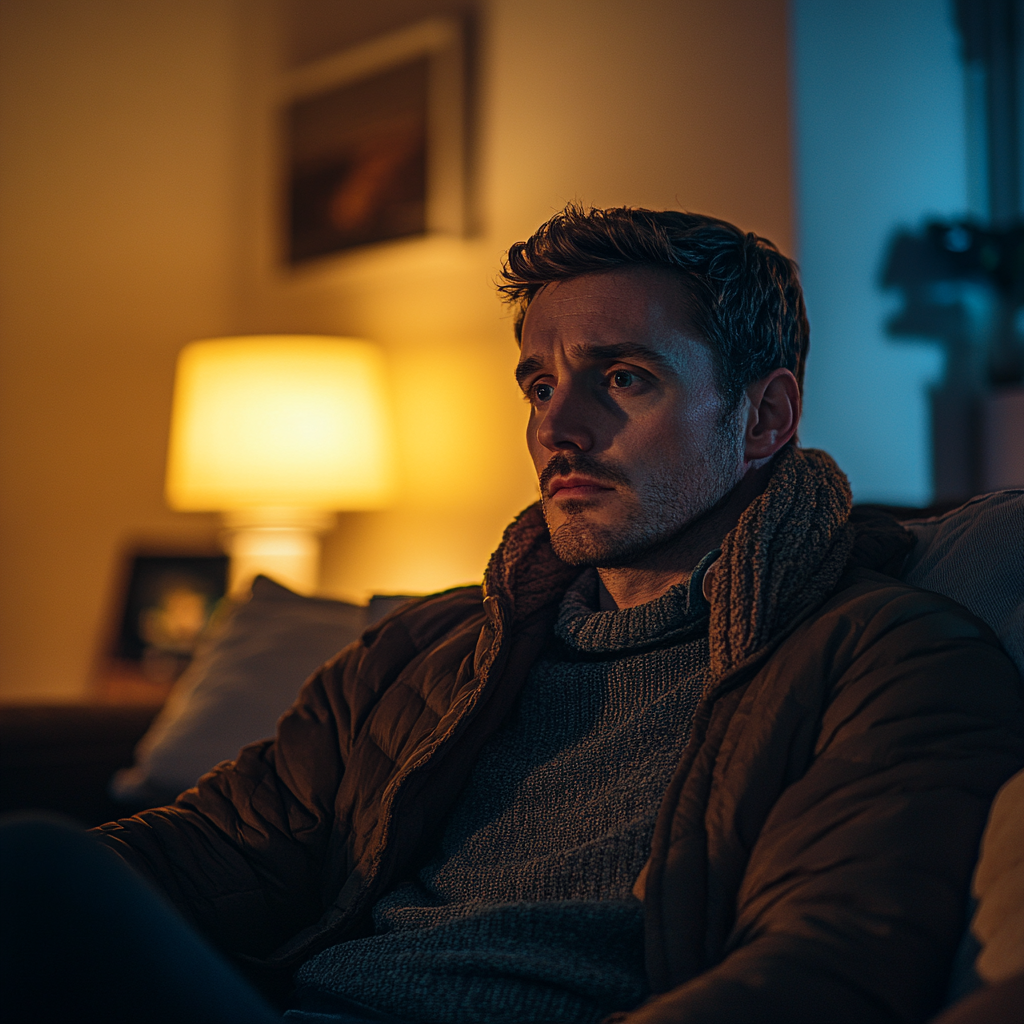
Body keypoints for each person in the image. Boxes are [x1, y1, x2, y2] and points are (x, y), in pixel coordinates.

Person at [2, 206, 1022, 1024]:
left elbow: (828, 963)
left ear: (764, 415)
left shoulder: (885, 659)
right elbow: (209, 849)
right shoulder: (426, 653)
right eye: (539, 383)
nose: (556, 428)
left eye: (623, 378)